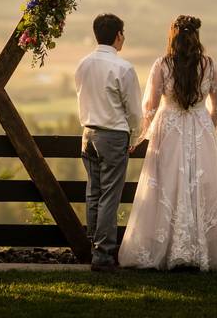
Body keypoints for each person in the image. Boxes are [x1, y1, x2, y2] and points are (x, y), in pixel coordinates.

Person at [118, 14, 217, 271]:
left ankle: (163, 249)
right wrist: (205, 128)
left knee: (165, 186)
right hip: (200, 130)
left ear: (172, 35)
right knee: (199, 187)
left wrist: (142, 136)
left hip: (169, 131)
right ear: (196, 36)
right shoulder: (209, 65)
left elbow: (150, 108)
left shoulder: (162, 64)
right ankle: (200, 251)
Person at [75, 13, 142, 272]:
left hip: (88, 133)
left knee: (93, 191)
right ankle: (103, 255)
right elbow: (134, 111)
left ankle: (93, 246)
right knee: (110, 196)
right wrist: (134, 137)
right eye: (123, 33)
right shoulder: (123, 68)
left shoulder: (83, 64)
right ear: (118, 35)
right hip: (113, 135)